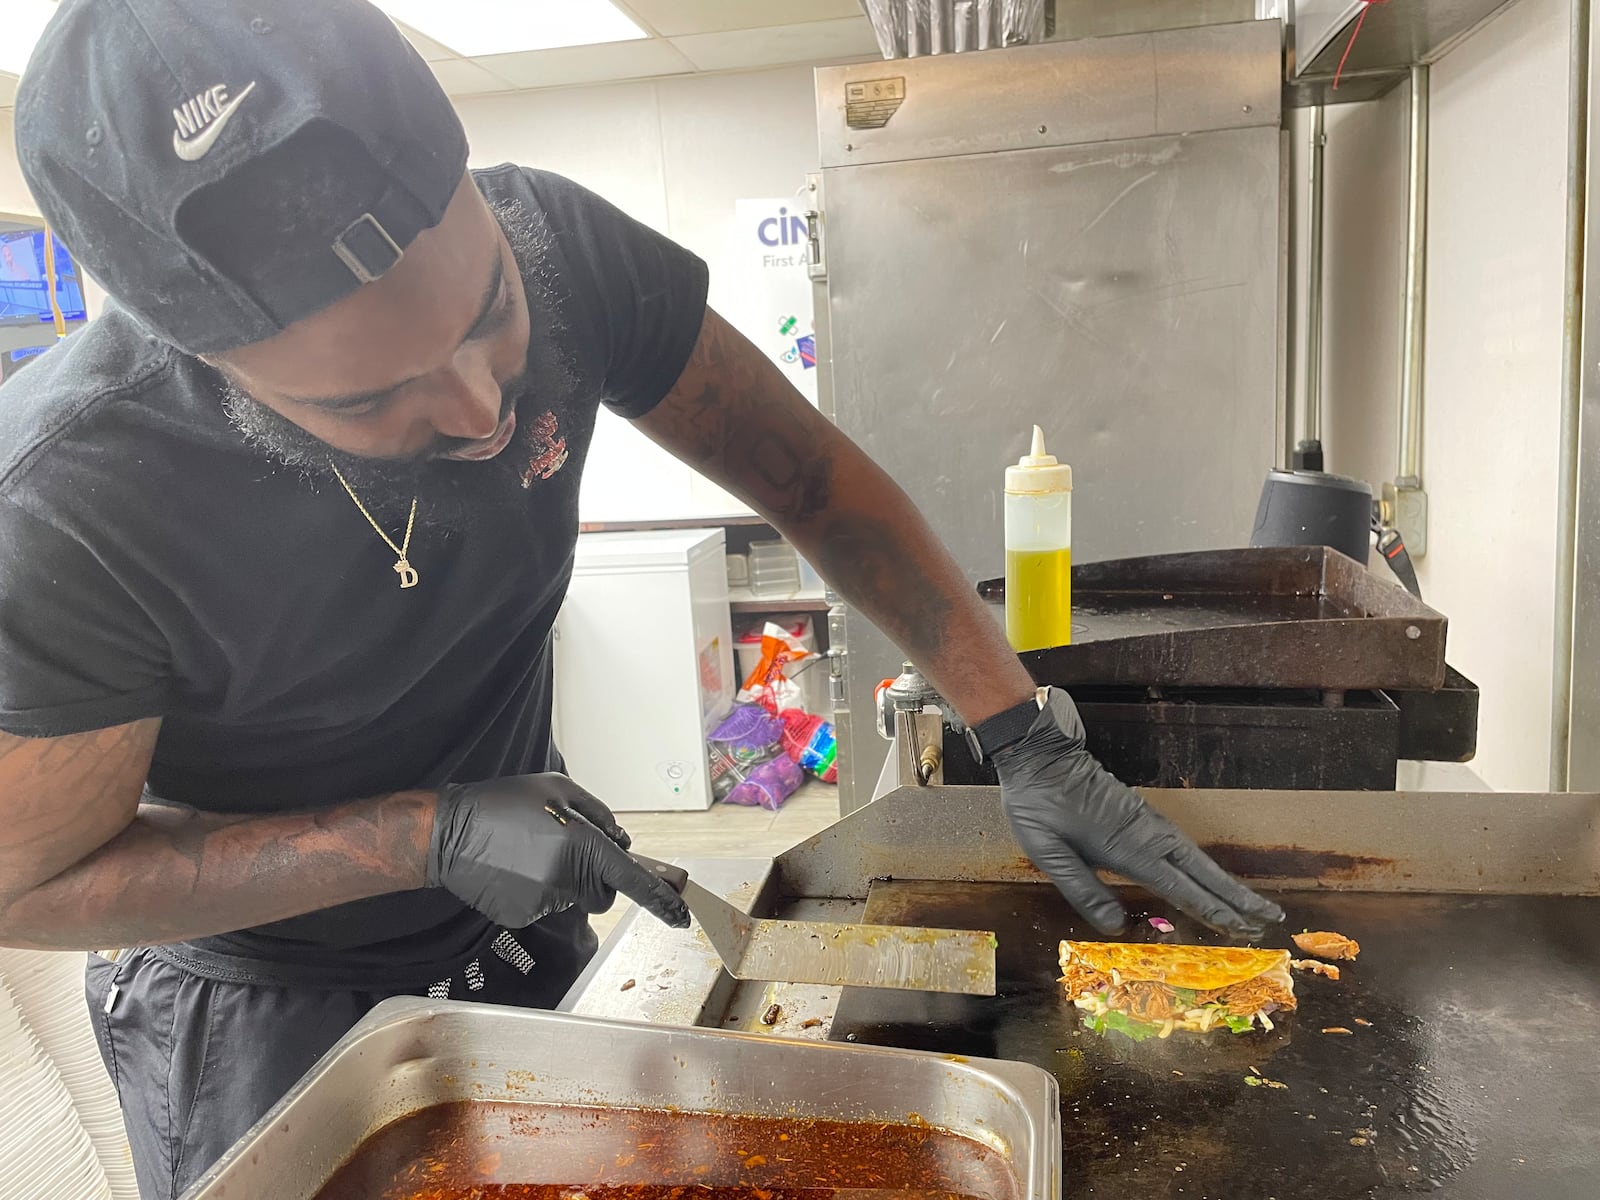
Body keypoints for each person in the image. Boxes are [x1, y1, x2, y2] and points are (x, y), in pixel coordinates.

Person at [0, 2, 1284, 1196]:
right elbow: (28, 885)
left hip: (529, 922)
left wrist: (1020, 732)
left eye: (487, 314)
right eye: (363, 402)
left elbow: (817, 482)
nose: (478, 410)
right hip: (272, 1010)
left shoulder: (560, 246)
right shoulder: (69, 504)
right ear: (200, 356)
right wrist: (415, 835)